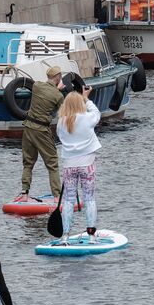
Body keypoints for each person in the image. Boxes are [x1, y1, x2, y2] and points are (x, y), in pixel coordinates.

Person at [54, 76, 101, 241]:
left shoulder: (61, 122)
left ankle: (65, 235)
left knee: (68, 199)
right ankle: (92, 235)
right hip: (87, 164)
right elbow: (96, 113)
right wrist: (86, 98)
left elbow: (60, 137)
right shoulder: (87, 118)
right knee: (89, 197)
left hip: (69, 165)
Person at [17, 66, 63, 199]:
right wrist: (58, 91)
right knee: (52, 162)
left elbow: (44, 90)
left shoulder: (36, 86)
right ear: (58, 77)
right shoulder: (58, 95)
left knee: (28, 163)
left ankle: (25, 193)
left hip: (28, 128)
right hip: (42, 130)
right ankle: (57, 196)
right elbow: (63, 113)